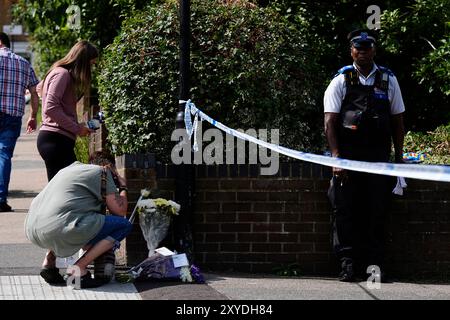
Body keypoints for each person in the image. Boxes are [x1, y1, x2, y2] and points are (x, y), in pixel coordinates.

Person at [324, 29, 405, 282]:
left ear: (374, 50)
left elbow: (398, 122)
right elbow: (330, 121)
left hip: (378, 159)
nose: (363, 52)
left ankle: (374, 266)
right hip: (347, 158)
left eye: (367, 47)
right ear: (351, 51)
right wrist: (336, 158)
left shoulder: (388, 79)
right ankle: (347, 263)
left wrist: (399, 161)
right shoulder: (341, 80)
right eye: (358, 48)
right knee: (345, 211)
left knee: (376, 212)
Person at [24, 151, 132, 289]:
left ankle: (49, 263)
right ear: (109, 166)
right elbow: (120, 211)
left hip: (32, 228)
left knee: (63, 216)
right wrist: (123, 187)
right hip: (59, 228)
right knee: (123, 226)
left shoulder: (69, 170)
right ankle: (79, 269)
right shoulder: (103, 172)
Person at [37, 40, 98, 181]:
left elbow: (40, 88)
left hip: (57, 140)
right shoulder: (62, 74)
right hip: (55, 141)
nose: (91, 68)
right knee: (65, 188)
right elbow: (50, 108)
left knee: (61, 189)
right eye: (91, 64)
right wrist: (76, 128)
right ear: (83, 62)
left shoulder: (59, 73)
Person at [0, 32, 40, 212]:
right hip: (12, 116)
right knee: (4, 155)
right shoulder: (24, 63)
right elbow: (34, 92)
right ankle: (0, 200)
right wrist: (32, 116)